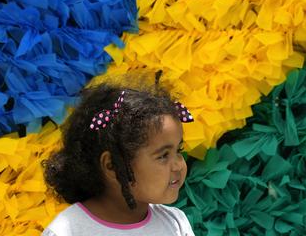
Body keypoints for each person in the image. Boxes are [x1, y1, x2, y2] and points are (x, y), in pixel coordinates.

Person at [42, 83, 196, 235]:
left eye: (179, 150)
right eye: (163, 156)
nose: (178, 165)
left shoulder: (176, 223)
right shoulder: (67, 231)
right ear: (112, 166)